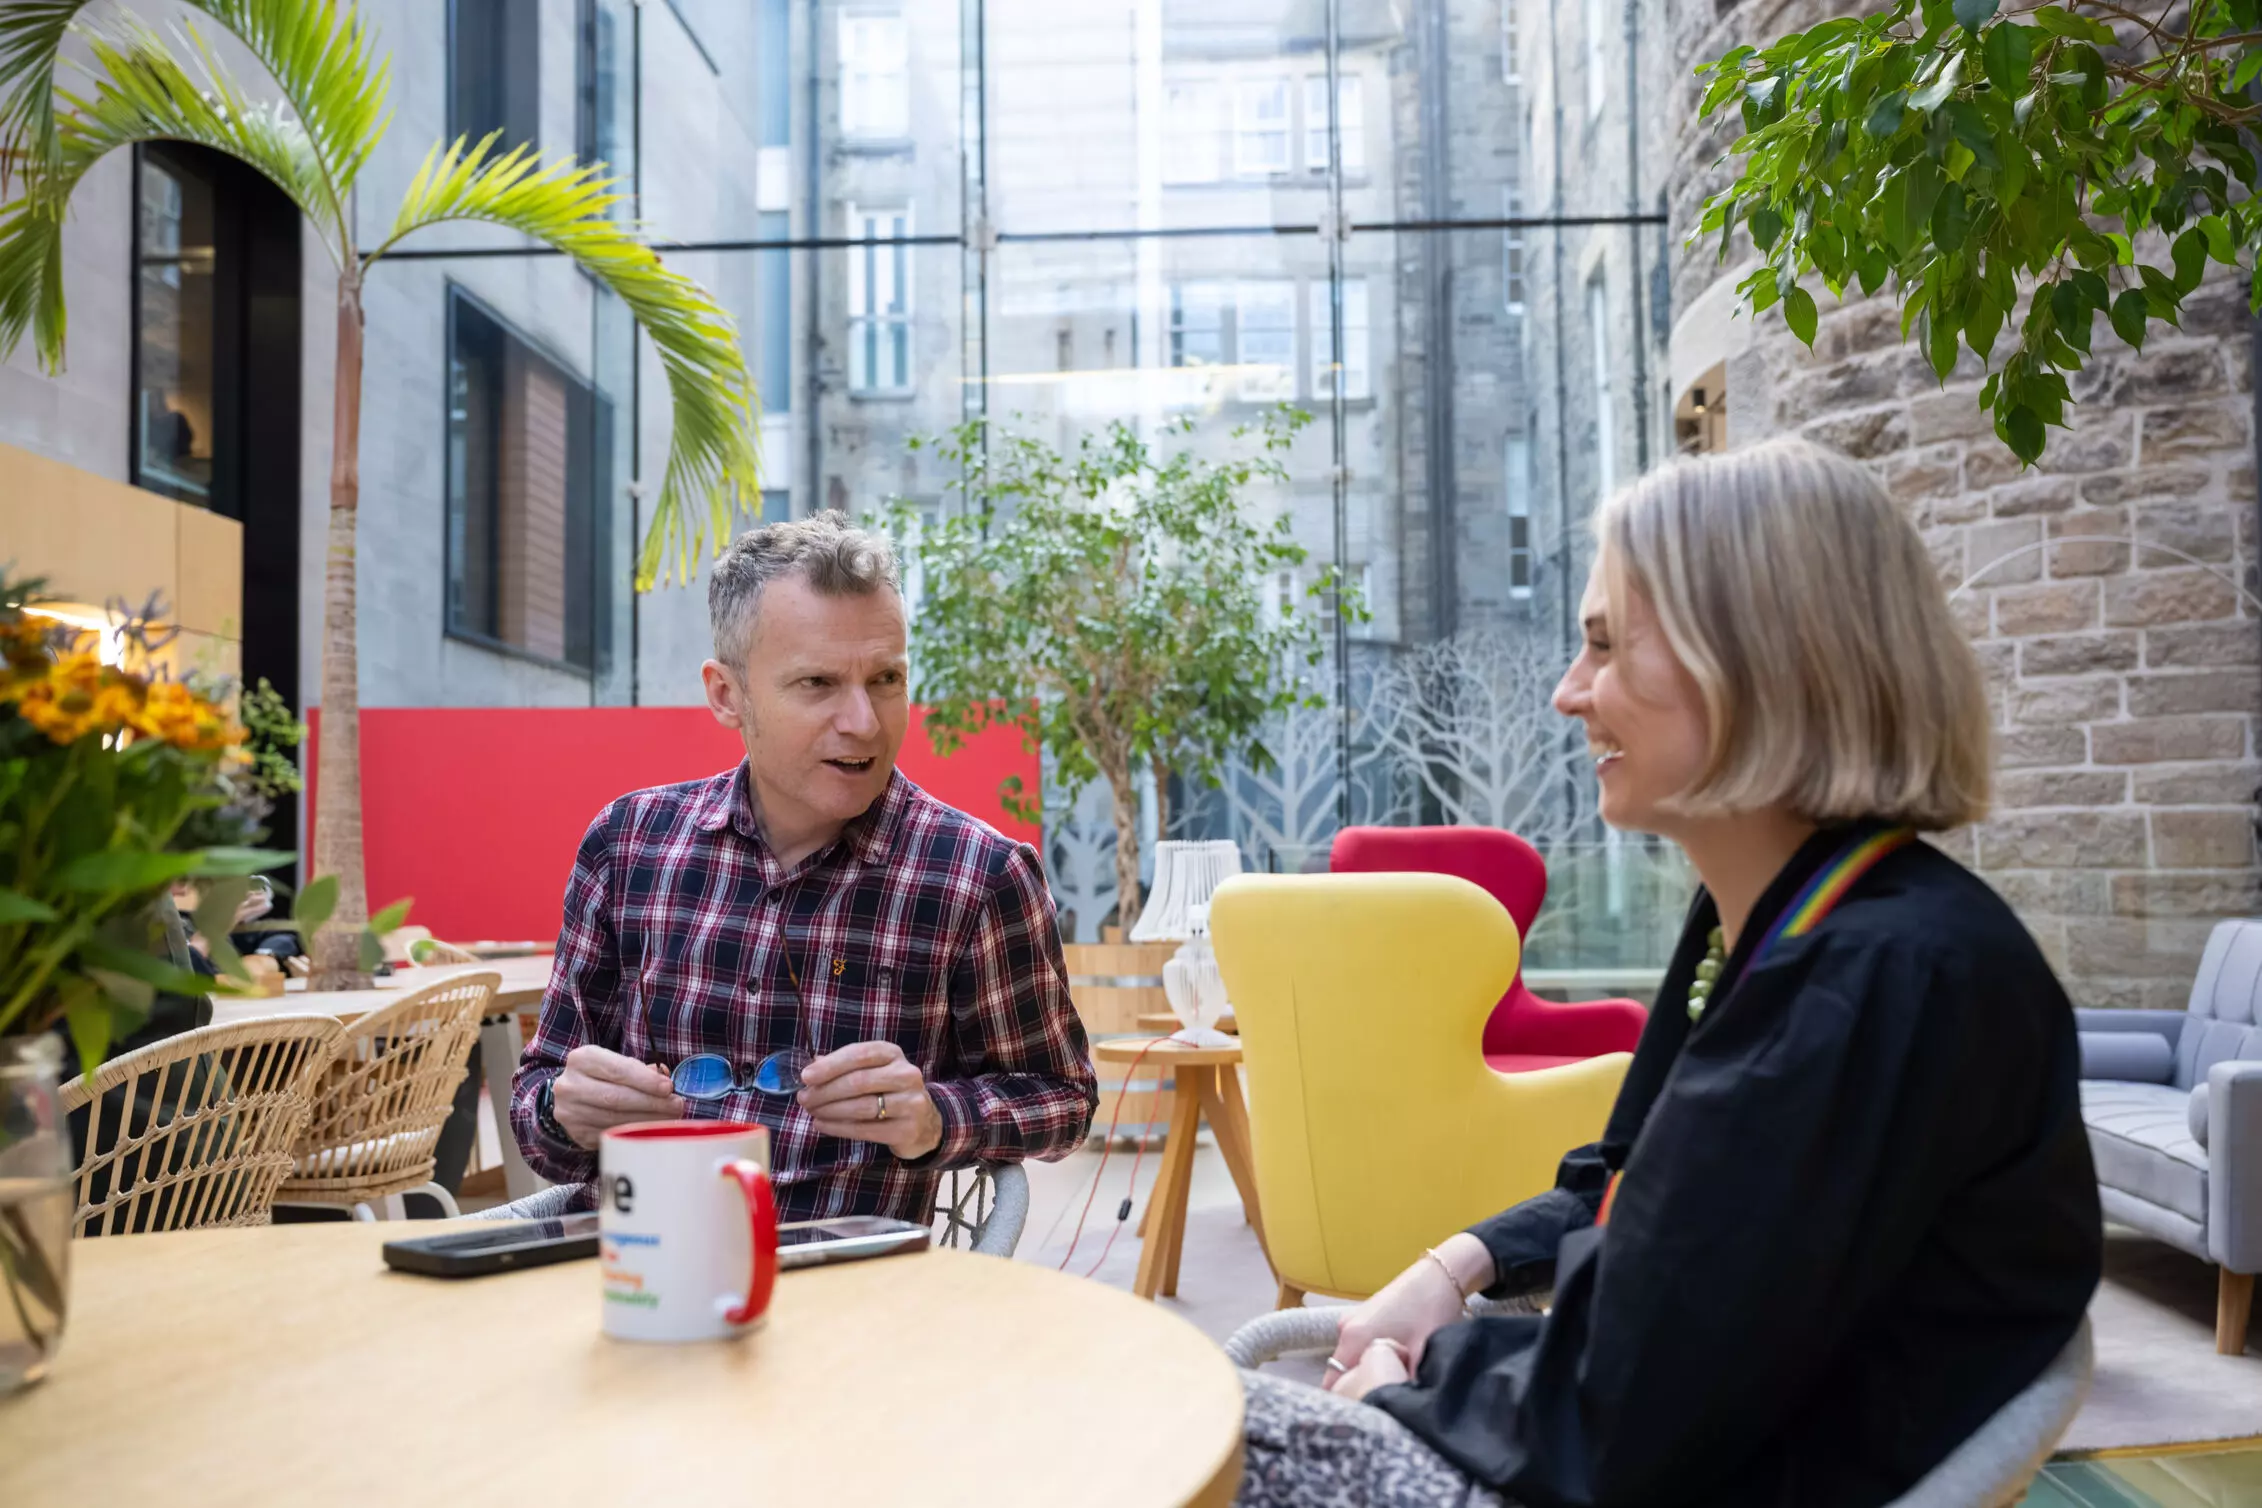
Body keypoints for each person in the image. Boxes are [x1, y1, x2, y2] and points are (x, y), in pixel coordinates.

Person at [1236, 438, 2103, 1507]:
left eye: (1602, 646)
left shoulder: (1874, 982)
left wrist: (1397, 1381)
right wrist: (1453, 1265)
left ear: (1756, 655)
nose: (1568, 692)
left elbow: (1610, 1418)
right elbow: (1632, 1182)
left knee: (1167, 1431)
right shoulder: (1778, 922)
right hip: (1640, 1445)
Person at [510, 513, 1098, 1220]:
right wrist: (561, 1110)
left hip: (853, 1299)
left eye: (886, 679)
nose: (865, 722)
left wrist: (935, 1118)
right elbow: (540, 1107)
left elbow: (1062, 1098)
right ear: (727, 695)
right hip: (648, 1273)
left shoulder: (977, 876)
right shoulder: (629, 847)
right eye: (818, 683)